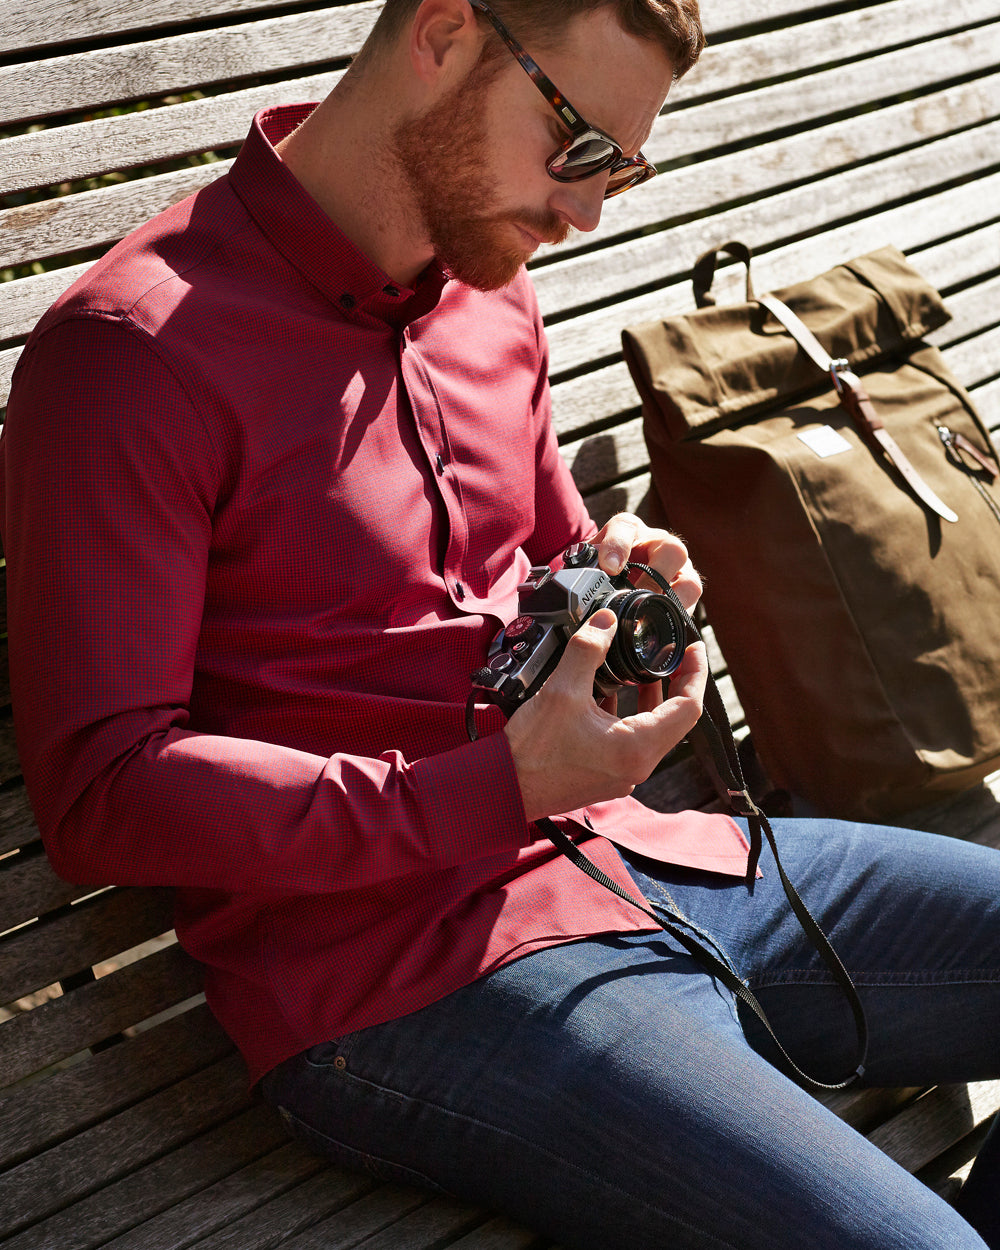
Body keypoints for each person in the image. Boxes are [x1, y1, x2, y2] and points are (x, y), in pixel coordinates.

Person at [1, 1, 998, 1245]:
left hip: (649, 860)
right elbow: (104, 789)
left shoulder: (488, 291)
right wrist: (491, 787)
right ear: (443, 34)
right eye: (578, 146)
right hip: (407, 981)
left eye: (620, 170)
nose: (585, 211)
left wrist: (620, 571)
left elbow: (544, 557)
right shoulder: (131, 354)